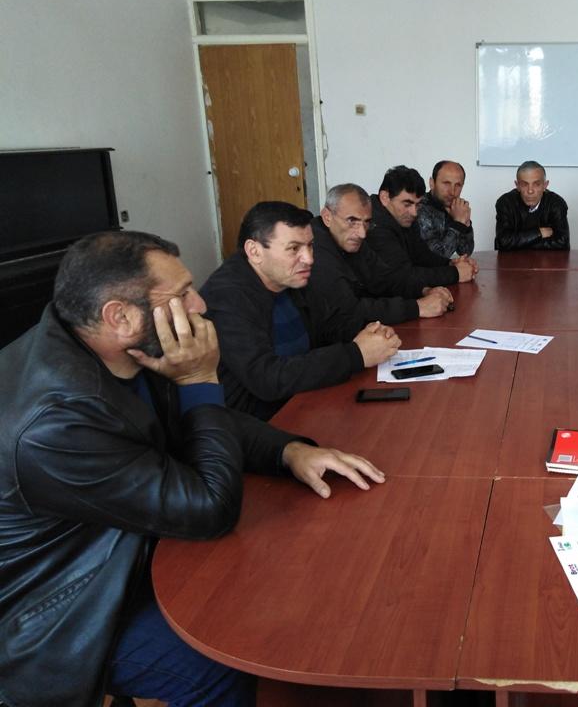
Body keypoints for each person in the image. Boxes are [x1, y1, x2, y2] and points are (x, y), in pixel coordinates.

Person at [0, 230, 385, 707]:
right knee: (216, 666)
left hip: (119, 545)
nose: (200, 305)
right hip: (58, 606)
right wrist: (200, 377)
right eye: (182, 295)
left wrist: (287, 451)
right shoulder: (55, 422)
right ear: (119, 316)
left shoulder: (112, 345)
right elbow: (210, 508)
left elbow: (198, 420)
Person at [202, 201, 401, 420]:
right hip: (259, 423)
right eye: (294, 248)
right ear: (254, 251)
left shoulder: (290, 277)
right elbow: (267, 378)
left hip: (305, 400)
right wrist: (356, 354)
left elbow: (331, 323)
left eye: (310, 246)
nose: (309, 259)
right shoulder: (227, 296)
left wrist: (371, 333)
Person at [309, 183, 454, 339]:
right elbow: (350, 310)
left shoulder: (350, 239)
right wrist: (417, 307)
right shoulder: (314, 251)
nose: (362, 233)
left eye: (366, 222)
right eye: (352, 221)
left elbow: (385, 278)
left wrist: (423, 290)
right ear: (327, 217)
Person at [366, 165, 477, 287]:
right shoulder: (373, 224)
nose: (414, 213)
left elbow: (421, 255)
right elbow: (402, 276)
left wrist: (450, 264)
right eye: (407, 204)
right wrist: (455, 273)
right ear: (385, 198)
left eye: (417, 204)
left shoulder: (403, 216)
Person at [494, 160, 570, 250]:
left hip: (547, 259)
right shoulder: (505, 203)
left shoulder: (556, 203)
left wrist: (519, 243)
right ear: (517, 185)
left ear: (545, 185)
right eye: (524, 184)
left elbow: (562, 242)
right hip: (513, 259)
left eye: (537, 184)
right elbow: (503, 241)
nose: (530, 191)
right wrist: (539, 233)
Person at [417, 159, 474, 259]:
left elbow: (465, 251)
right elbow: (436, 257)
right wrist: (458, 224)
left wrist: (466, 223)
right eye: (446, 183)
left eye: (458, 185)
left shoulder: (457, 207)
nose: (452, 192)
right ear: (432, 183)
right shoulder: (419, 207)